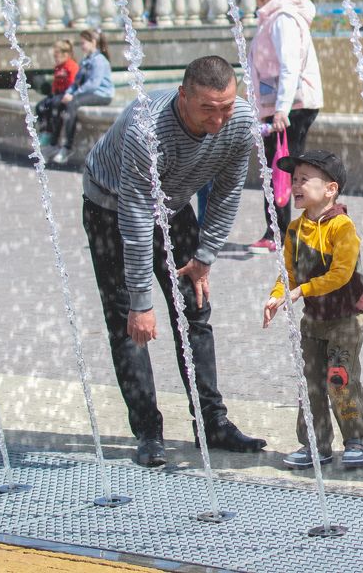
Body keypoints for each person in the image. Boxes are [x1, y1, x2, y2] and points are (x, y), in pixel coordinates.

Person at [81, 55, 266, 467]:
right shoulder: (147, 130)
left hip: (173, 205)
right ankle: (148, 431)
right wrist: (141, 301)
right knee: (128, 323)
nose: (219, 121)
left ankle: (212, 423)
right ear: (183, 96)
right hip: (111, 208)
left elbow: (227, 190)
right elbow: (134, 217)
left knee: (195, 309)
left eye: (226, 108)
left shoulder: (239, 121)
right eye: (208, 110)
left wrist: (205, 256)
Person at [262, 150, 363, 469]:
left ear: (330, 188)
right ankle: (315, 442)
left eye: (304, 179)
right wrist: (277, 295)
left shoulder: (343, 227)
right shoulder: (295, 230)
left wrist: (300, 291)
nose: (295, 185)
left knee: (339, 378)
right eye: (293, 179)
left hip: (345, 318)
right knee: (310, 381)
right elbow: (289, 273)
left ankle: (357, 439)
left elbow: (340, 275)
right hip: (314, 319)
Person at [246, 0, 323, 253]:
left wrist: (281, 110)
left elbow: (289, 66)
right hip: (286, 104)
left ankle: (283, 234)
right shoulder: (276, 16)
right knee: (282, 167)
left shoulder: (282, 19)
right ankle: (283, 232)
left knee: (283, 167)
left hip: (291, 106)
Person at [51, 30, 114, 165]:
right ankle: (53, 143)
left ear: (93, 43)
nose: (81, 46)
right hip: (90, 93)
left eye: (83, 43)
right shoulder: (86, 60)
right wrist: (68, 93)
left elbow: (93, 84)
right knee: (58, 102)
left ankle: (67, 147)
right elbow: (77, 82)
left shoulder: (99, 60)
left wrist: (73, 95)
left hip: (102, 94)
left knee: (72, 104)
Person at [36, 39, 79, 147]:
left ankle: (52, 134)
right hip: (57, 94)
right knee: (40, 107)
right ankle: (44, 130)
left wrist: (68, 94)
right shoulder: (58, 67)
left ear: (66, 54)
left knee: (54, 105)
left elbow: (73, 83)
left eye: (57, 55)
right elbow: (55, 83)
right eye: (54, 56)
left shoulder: (72, 66)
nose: (55, 58)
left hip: (65, 94)